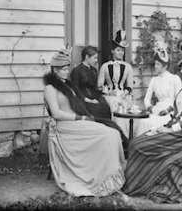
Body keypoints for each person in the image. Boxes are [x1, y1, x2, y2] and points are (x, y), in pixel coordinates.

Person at [122, 42, 182, 204]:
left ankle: (138, 185)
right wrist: (163, 127)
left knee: (138, 145)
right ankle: (137, 182)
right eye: (181, 68)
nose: (181, 70)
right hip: (178, 130)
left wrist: (170, 129)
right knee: (136, 142)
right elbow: (178, 113)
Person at [43, 50, 127, 197]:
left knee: (112, 132)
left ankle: (111, 175)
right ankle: (104, 177)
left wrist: (85, 115)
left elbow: (79, 103)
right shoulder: (50, 88)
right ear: (55, 70)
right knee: (108, 135)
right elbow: (56, 113)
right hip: (66, 126)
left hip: (77, 122)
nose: (66, 71)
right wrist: (79, 118)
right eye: (63, 68)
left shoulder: (67, 85)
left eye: (67, 68)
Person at [134, 46, 182, 136]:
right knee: (142, 122)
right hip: (157, 110)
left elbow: (179, 100)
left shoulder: (175, 79)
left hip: (170, 112)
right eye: (155, 64)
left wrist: (168, 110)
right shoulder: (154, 80)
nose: (155, 66)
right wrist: (150, 108)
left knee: (153, 124)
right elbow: (147, 99)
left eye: (158, 64)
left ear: (165, 66)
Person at [98, 30, 134, 136]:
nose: (120, 53)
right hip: (110, 97)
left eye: (122, 51)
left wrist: (125, 93)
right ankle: (117, 135)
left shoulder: (128, 67)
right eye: (118, 50)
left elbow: (130, 86)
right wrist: (108, 91)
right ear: (113, 51)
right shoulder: (105, 66)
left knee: (125, 106)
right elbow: (99, 86)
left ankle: (126, 136)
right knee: (114, 106)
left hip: (123, 96)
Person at [69, 45, 112, 119]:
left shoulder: (94, 70)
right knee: (96, 109)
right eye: (94, 58)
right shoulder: (76, 71)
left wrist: (101, 89)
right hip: (83, 100)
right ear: (87, 57)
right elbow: (75, 90)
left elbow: (94, 87)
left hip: (95, 97)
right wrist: (88, 100)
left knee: (107, 108)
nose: (96, 60)